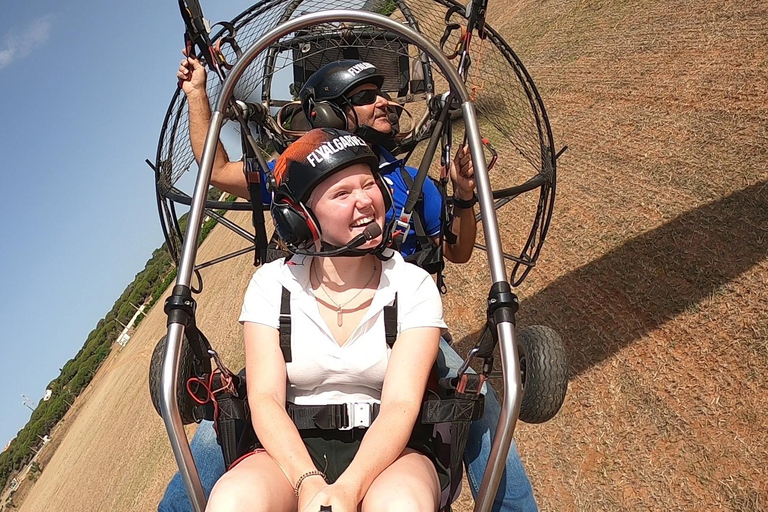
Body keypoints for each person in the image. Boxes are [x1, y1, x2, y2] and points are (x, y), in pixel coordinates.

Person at [159, 55, 537, 511]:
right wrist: (199, 96)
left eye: (382, 93)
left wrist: (462, 196)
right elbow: (216, 171)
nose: (385, 103)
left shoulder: (406, 181)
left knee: (482, 407)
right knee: (212, 436)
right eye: (365, 98)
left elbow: (456, 251)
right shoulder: (296, 170)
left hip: (405, 323)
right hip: (309, 327)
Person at [207, 128, 445, 512]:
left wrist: (349, 488)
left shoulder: (412, 285)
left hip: (388, 449)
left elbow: (401, 403)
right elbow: (265, 398)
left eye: (369, 185)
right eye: (342, 194)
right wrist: (307, 482)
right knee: (231, 502)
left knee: (402, 506)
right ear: (303, 219)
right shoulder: (272, 284)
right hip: (291, 449)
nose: (365, 201)